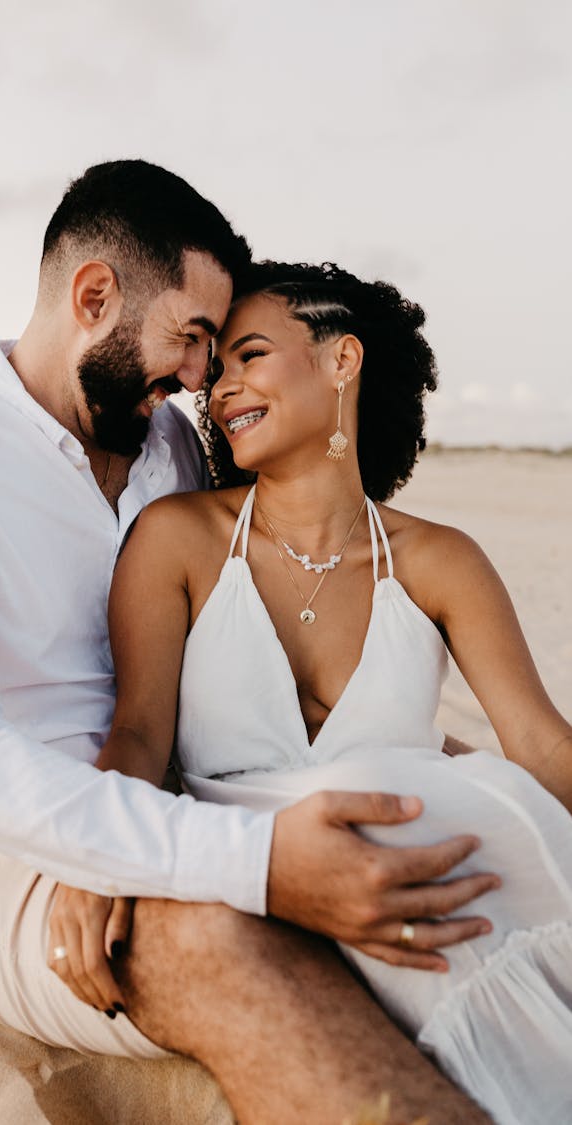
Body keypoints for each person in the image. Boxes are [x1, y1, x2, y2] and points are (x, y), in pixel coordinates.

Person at [0, 163, 496, 1125]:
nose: (201, 376)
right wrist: (234, 857)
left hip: (190, 799)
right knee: (224, 942)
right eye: (191, 338)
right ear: (95, 295)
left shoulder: (170, 453)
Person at [56, 260, 572, 1124]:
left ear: (343, 361)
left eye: (251, 355)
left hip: (483, 894)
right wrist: (91, 854)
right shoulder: (178, 538)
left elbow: (542, 745)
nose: (222, 389)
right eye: (215, 369)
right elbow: (139, 733)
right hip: (290, 905)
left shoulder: (442, 560)